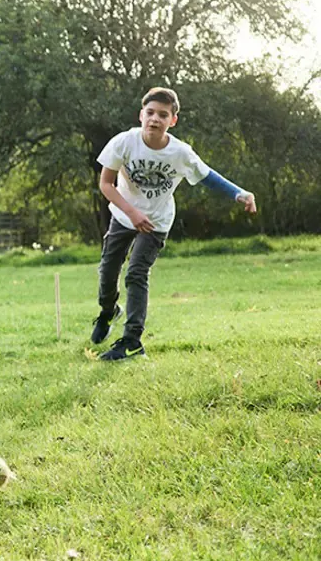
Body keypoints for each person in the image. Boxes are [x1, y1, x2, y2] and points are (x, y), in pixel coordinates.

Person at [90, 87, 257, 360]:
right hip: (123, 216)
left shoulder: (180, 153)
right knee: (108, 271)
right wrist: (131, 213)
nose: (155, 119)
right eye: (151, 113)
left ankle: (131, 341)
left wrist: (240, 193)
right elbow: (106, 184)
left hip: (156, 221)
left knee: (136, 273)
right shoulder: (123, 142)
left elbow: (207, 176)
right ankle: (108, 312)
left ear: (173, 120)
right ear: (141, 115)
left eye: (163, 115)